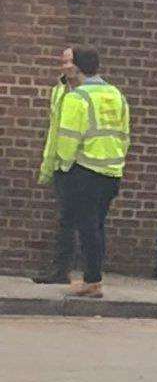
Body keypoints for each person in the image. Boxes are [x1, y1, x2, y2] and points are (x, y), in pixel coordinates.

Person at [53, 49, 130, 298]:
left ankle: (92, 281)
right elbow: (125, 134)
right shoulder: (115, 94)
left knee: (87, 227)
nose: (64, 67)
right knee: (97, 225)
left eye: (68, 62)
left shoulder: (78, 97)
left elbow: (68, 138)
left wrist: (63, 165)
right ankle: (94, 277)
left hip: (85, 170)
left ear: (77, 67)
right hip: (112, 171)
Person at [32, 48, 84, 284]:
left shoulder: (88, 93)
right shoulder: (59, 91)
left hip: (83, 165)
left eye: (68, 62)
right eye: (62, 62)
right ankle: (60, 269)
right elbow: (55, 131)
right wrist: (49, 164)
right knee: (66, 220)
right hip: (63, 164)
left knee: (80, 221)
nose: (64, 66)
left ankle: (78, 271)